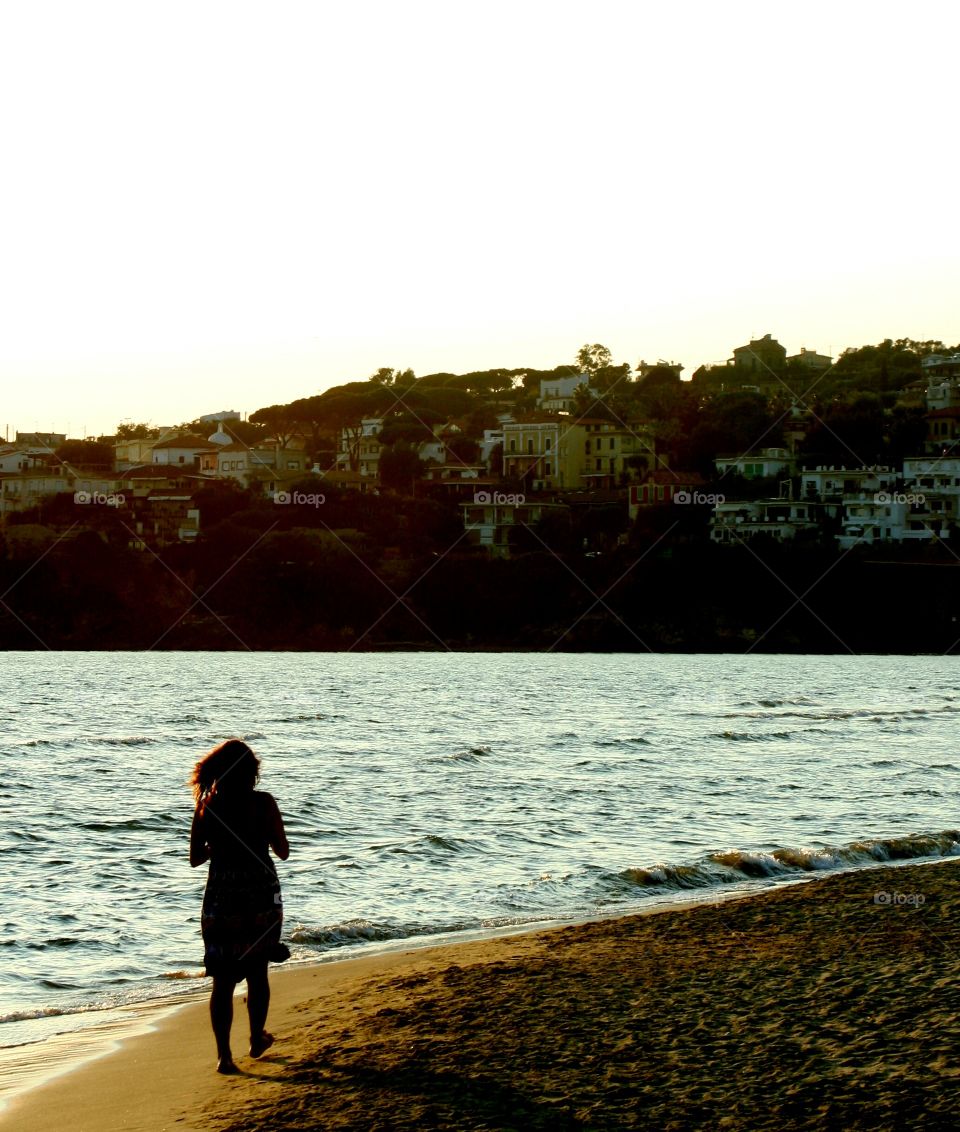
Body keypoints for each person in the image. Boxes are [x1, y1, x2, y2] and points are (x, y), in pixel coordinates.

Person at [189, 738, 290, 1074]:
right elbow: (283, 851)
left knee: (223, 978)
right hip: (260, 891)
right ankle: (256, 1038)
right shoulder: (263, 803)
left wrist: (219, 846)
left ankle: (224, 1056)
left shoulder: (207, 805)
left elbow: (194, 858)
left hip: (221, 895)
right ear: (251, 773)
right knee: (257, 971)